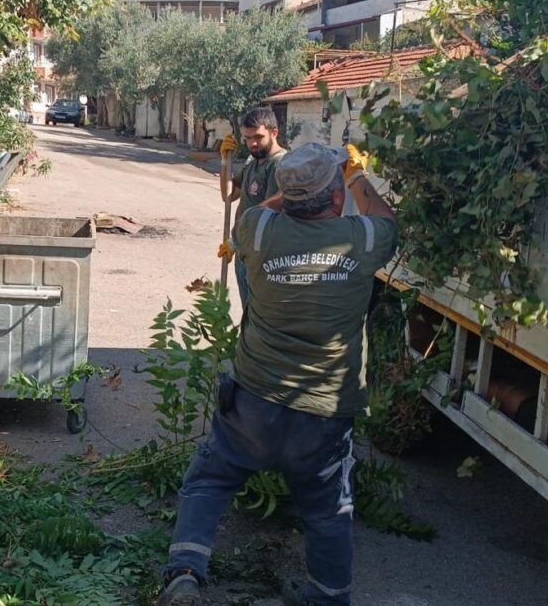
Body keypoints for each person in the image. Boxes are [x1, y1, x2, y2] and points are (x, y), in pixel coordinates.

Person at [157, 143, 398, 606]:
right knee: (328, 510)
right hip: (323, 413)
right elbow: (386, 218)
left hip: (252, 402)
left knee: (209, 480)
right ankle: (327, 597)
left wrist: (287, 193)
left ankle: (184, 575)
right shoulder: (363, 239)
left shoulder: (259, 229)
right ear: (333, 200)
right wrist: (355, 176)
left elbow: (258, 211)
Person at [218, 106, 287, 307]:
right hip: (244, 253)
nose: (253, 143)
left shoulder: (280, 165)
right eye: (247, 138)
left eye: (258, 137)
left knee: (258, 316)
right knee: (248, 311)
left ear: (274, 133)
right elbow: (229, 195)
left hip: (262, 257)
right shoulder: (253, 162)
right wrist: (224, 162)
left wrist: (235, 241)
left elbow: (268, 217)